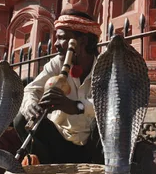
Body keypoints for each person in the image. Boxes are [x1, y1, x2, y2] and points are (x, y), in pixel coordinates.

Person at [14, 9, 103, 165]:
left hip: (91, 146)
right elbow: (31, 89)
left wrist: (76, 107)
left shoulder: (104, 67)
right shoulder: (58, 62)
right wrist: (31, 106)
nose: (55, 44)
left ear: (82, 41)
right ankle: (49, 169)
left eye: (61, 38)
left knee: (103, 125)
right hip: (59, 143)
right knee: (20, 119)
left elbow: (111, 106)